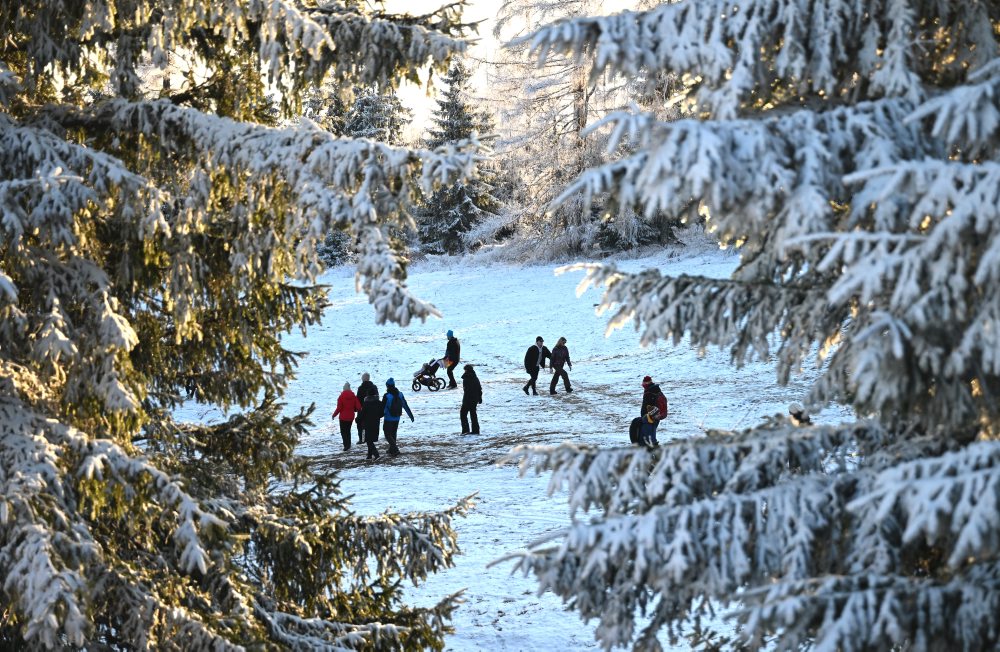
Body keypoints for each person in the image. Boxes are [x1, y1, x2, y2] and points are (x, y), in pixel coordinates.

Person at [381, 378, 414, 456]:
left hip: (388, 418)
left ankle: (395, 449)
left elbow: (382, 407)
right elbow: (405, 405)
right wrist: (411, 415)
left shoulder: (387, 396)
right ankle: (391, 450)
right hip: (397, 417)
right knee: (393, 433)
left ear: (387, 386)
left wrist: (378, 416)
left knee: (387, 434)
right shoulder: (400, 394)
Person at [332, 382, 362, 451]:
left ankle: (346, 445)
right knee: (348, 430)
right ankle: (348, 444)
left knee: (343, 431)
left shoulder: (341, 397)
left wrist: (334, 415)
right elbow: (359, 407)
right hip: (351, 417)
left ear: (344, 389)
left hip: (343, 417)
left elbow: (339, 408)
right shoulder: (353, 396)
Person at [639, 376, 668, 446]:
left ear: (646, 383)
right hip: (657, 415)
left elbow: (646, 406)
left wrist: (644, 417)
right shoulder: (656, 389)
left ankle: (652, 448)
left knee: (649, 434)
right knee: (652, 432)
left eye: (643, 382)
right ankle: (653, 446)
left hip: (650, 416)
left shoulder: (649, 392)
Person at [355, 372, 379, 444]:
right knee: (372, 424)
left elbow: (358, 399)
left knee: (361, 425)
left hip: (363, 408)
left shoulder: (361, 388)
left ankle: (362, 439)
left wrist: (357, 409)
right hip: (373, 409)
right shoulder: (374, 387)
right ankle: (373, 438)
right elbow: (377, 397)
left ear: (363, 379)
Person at [460, 364, 483, 434]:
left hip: (468, 399)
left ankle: (465, 430)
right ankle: (476, 430)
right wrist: (479, 398)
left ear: (466, 370)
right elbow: (479, 389)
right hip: (474, 399)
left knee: (463, 414)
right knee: (473, 414)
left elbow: (466, 390)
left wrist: (465, 401)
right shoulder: (476, 378)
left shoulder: (466, 378)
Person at [361, 389, 383, 461]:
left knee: (368, 440)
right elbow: (382, 413)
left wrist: (357, 420)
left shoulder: (366, 403)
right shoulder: (379, 402)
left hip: (367, 424)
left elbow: (362, 414)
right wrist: (377, 417)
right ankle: (369, 455)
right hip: (376, 423)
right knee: (370, 439)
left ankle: (376, 454)